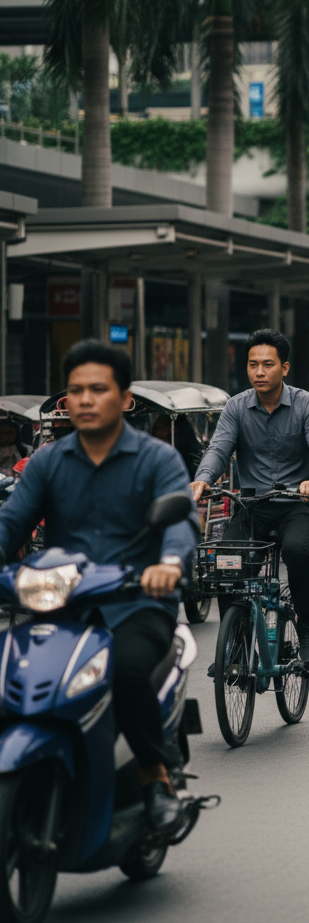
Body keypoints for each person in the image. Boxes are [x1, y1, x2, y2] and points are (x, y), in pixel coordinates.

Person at [0, 341, 198, 832]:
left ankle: (154, 778)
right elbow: (11, 524)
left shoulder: (157, 459)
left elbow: (180, 521)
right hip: (61, 606)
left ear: (125, 398)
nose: (85, 400)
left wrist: (169, 563)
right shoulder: (47, 462)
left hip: (137, 603)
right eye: (76, 391)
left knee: (126, 669)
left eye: (98, 389)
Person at [190, 329, 309, 664]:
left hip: (297, 505)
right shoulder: (236, 407)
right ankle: (236, 645)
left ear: (284, 368)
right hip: (252, 507)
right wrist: (202, 480)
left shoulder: (307, 405)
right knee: (226, 562)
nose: (259, 371)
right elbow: (218, 449)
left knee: (297, 551)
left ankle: (306, 623)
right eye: (252, 364)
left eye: (267, 364)